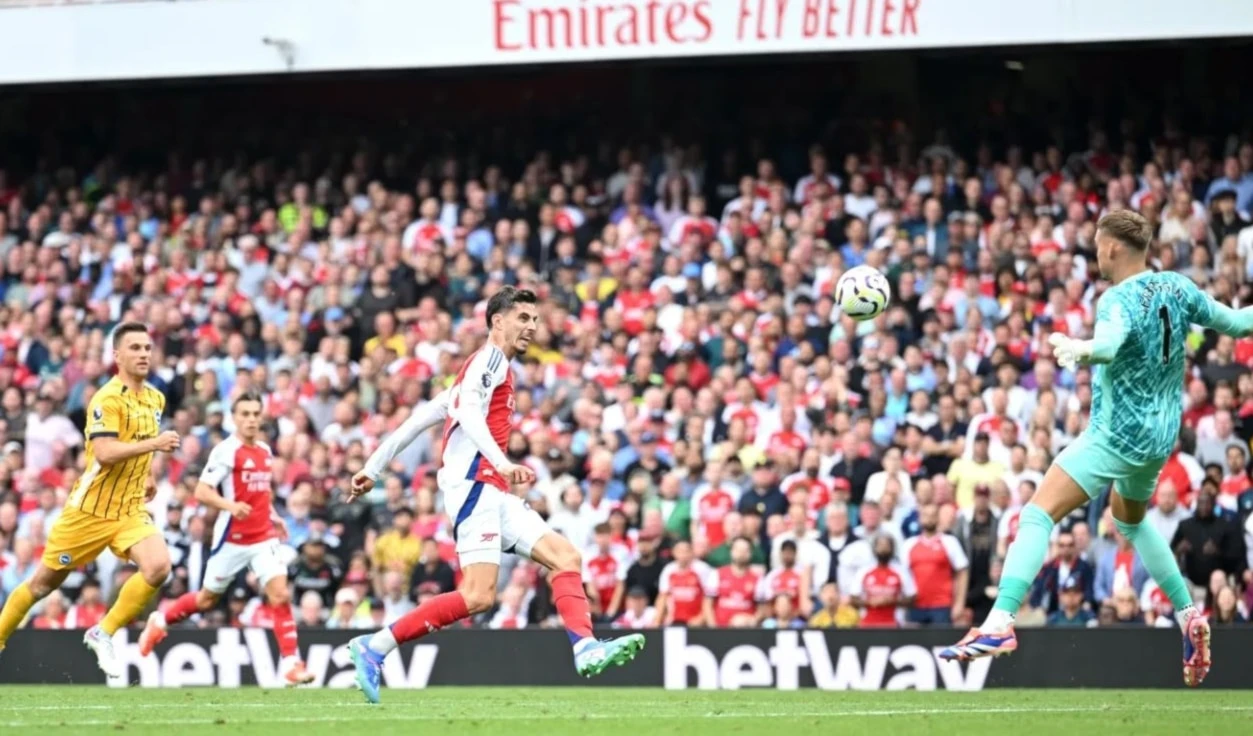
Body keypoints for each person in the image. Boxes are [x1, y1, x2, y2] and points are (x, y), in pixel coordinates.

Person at [940, 210, 1253, 687]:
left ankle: (1001, 621)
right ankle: (1188, 612)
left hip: (1116, 435)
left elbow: (1108, 344)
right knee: (1128, 519)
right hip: (1160, 437)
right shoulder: (1178, 286)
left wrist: (1081, 349)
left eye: (1096, 243)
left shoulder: (1115, 299)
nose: (1094, 251)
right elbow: (1235, 322)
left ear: (1112, 248)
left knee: (1037, 515)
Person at [345, 287, 643, 704]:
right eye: (523, 318)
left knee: (566, 558)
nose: (532, 326)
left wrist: (371, 468)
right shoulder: (489, 361)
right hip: (475, 488)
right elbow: (466, 412)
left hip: (494, 492)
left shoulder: (479, 371)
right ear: (497, 321)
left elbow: (417, 420)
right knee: (478, 596)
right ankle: (374, 647)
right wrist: (502, 462)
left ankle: (585, 647)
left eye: (535, 319)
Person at [0, 323, 180, 677]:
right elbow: (106, 452)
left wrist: (149, 475)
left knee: (159, 566)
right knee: (41, 585)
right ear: (117, 356)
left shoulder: (155, 398)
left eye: (147, 347)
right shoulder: (106, 399)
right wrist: (155, 445)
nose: (144, 353)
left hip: (128, 509)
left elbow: (137, 446)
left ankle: (104, 631)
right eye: (135, 348)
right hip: (89, 511)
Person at [136, 393, 313, 686]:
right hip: (232, 538)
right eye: (245, 414)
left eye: (256, 413)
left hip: (263, 537)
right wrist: (231, 507)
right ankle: (160, 621)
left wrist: (274, 516)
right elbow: (202, 492)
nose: (252, 419)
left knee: (280, 594)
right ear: (235, 417)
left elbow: (260, 492)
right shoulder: (226, 451)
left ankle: (292, 664)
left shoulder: (265, 451)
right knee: (206, 600)